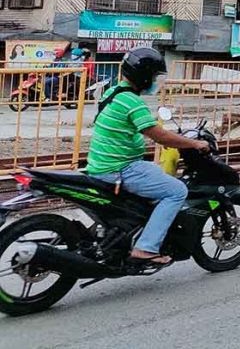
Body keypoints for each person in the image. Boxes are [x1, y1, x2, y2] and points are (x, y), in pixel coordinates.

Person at [86, 47, 209, 265]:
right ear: (143, 76)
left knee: (155, 172)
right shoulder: (133, 102)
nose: (155, 81)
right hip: (119, 169)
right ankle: (146, 248)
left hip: (101, 165)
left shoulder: (112, 93)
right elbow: (160, 136)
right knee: (177, 190)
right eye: (153, 76)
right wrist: (195, 143)